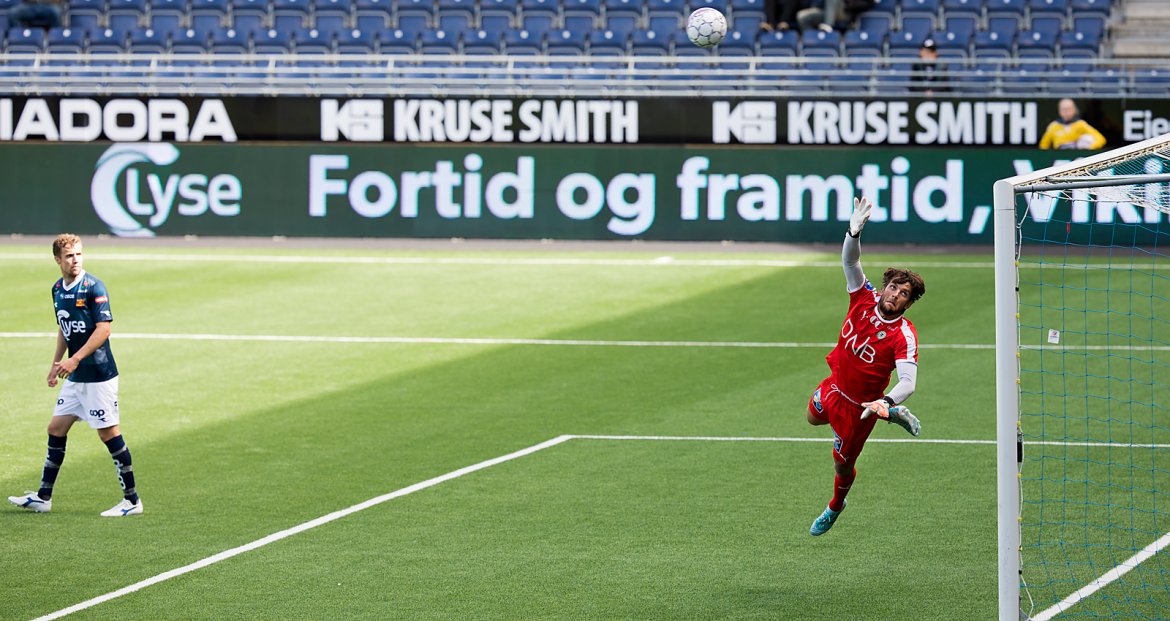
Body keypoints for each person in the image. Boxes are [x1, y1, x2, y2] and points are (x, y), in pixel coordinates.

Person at [805, 197, 924, 536]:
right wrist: (853, 231)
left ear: (909, 303)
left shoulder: (904, 334)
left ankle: (835, 506)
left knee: (842, 467)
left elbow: (908, 382)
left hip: (861, 408)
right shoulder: (863, 297)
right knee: (811, 418)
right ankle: (893, 413)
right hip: (833, 386)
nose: (895, 294)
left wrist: (884, 403)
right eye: (893, 287)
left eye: (904, 293)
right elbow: (850, 261)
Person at [8, 234, 144, 517]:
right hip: (75, 374)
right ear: (58, 260)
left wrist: (75, 359)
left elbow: (104, 329)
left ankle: (132, 501)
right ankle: (44, 497)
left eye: (79, 254)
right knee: (56, 428)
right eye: (69, 256)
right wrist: (56, 363)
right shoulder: (57, 289)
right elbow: (63, 327)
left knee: (108, 434)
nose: (75, 260)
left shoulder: (94, 286)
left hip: (98, 374)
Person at [1039, 98, 1106, 150]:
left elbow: (1100, 139)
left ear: (1074, 110)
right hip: (1059, 160)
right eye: (1064, 109)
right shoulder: (1053, 126)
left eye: (1069, 109)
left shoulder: (1081, 124)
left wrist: (1089, 149)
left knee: (1087, 138)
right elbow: (1043, 145)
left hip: (1078, 159)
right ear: (1059, 111)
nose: (1066, 112)